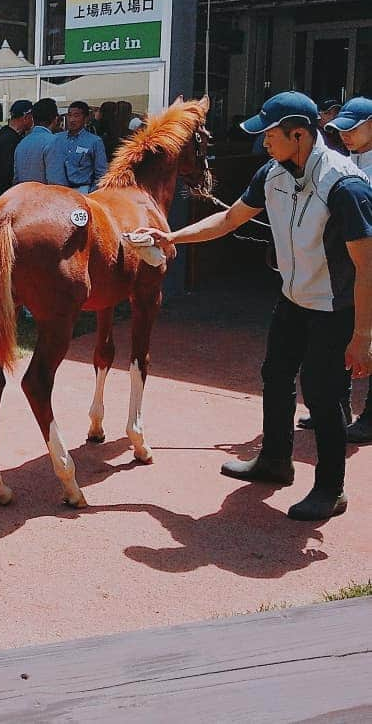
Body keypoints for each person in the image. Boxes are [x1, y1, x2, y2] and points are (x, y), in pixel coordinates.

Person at [141, 91, 372, 521]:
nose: (263, 142)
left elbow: (366, 266)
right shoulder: (272, 173)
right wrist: (173, 237)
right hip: (292, 298)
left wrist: (363, 336)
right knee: (276, 376)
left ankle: (330, 489)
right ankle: (275, 461)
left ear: (299, 134)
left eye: (269, 134)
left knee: (323, 396)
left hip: (332, 308)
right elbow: (229, 220)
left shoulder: (344, 186)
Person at [327, 96, 372, 445]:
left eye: (353, 129)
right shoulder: (344, 162)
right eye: (341, 129)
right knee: (341, 333)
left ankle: (369, 418)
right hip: (347, 264)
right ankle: (337, 407)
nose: (345, 135)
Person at [47, 100, 108, 192]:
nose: (72, 120)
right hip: (58, 190)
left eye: (76, 116)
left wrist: (91, 192)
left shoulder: (94, 141)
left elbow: (101, 173)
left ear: (86, 118)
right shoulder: (57, 138)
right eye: (69, 115)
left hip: (82, 189)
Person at [0, 99, 33, 201]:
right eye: (32, 118)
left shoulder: (3, 135)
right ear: (26, 117)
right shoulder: (11, 140)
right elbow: (9, 171)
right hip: (7, 196)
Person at [13, 97, 60, 184]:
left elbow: (16, 179)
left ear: (33, 119)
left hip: (23, 195)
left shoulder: (22, 143)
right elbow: (56, 181)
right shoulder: (54, 142)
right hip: (45, 196)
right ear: (55, 119)